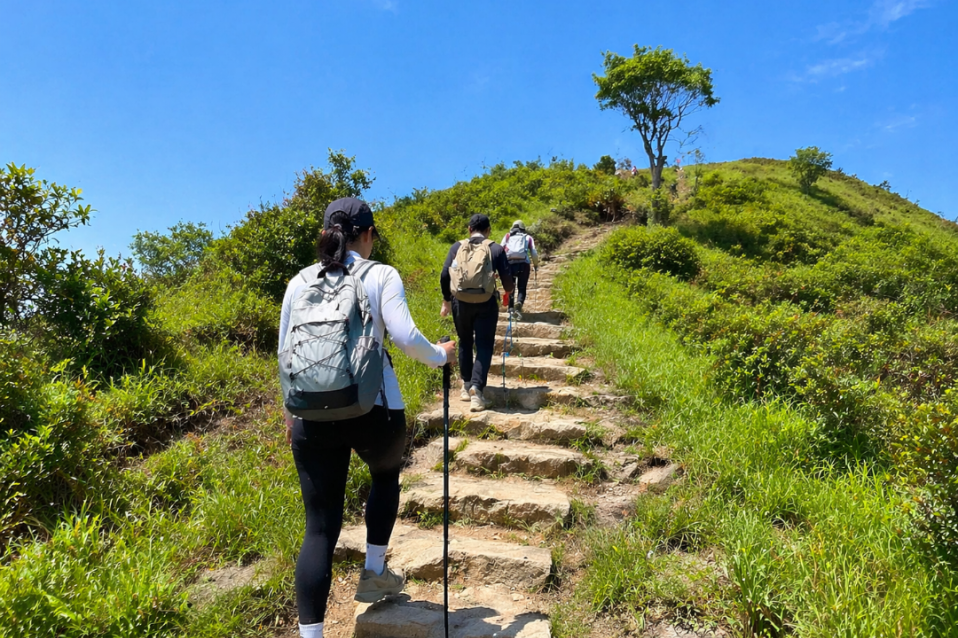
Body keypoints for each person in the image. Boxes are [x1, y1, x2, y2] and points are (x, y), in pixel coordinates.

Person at [279, 197, 456, 638]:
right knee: (384, 476)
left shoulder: (299, 281)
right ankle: (374, 571)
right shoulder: (380, 275)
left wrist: (291, 415)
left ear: (326, 234)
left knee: (319, 530)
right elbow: (405, 337)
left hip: (310, 414)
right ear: (368, 234)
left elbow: (285, 352)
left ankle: (311, 635)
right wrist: (441, 355)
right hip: (374, 409)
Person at [440, 214, 515, 412]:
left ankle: (466, 386)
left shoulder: (457, 247)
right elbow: (508, 282)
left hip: (460, 302)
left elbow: (445, 274)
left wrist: (446, 300)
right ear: (488, 230)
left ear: (469, 229)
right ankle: (477, 390)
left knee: (465, 341)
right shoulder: (495, 248)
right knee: (484, 344)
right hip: (486, 303)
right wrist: (509, 291)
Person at [500, 220, 540, 315]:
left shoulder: (507, 236)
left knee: (511, 287)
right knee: (522, 287)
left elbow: (500, 249)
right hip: (524, 264)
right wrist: (535, 265)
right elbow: (534, 252)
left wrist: (500, 265)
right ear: (523, 228)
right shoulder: (528, 237)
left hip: (510, 264)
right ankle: (519, 303)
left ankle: (510, 308)